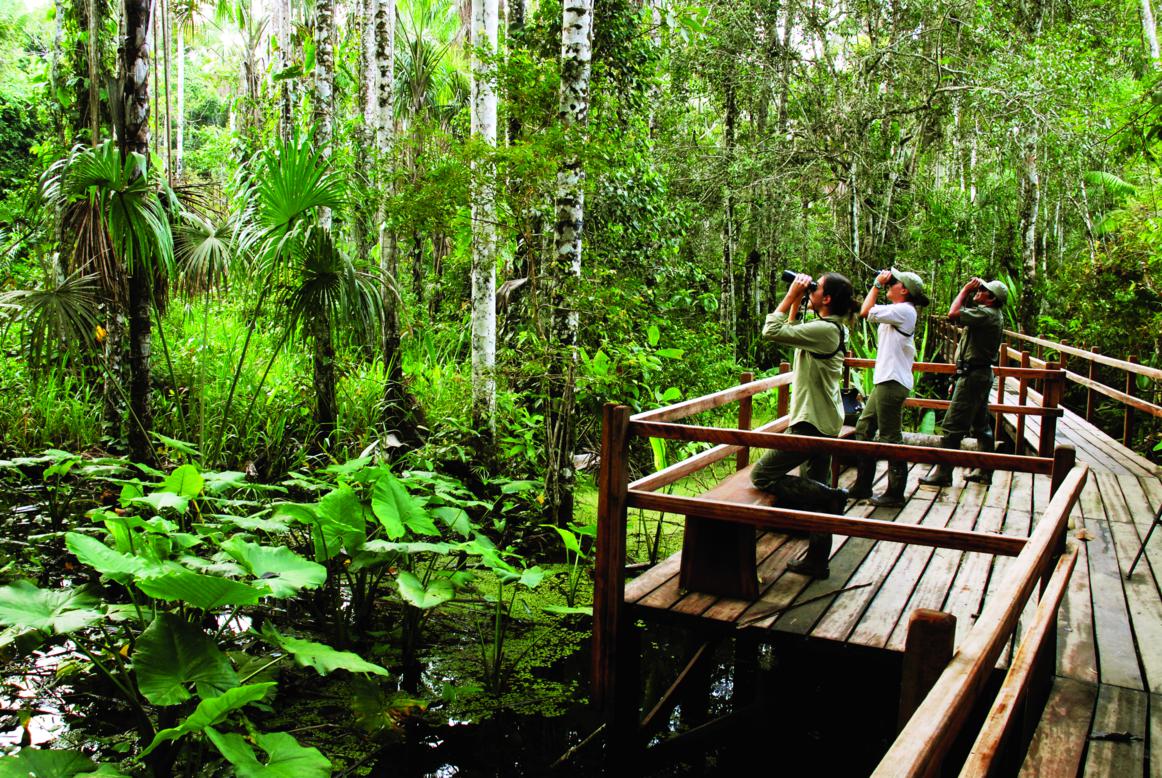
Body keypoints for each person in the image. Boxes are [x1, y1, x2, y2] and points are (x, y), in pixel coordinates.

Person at [751, 271, 855, 579]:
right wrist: (798, 298)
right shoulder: (833, 327)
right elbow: (792, 330)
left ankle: (832, 496)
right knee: (814, 487)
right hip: (825, 418)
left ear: (827, 299)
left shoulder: (824, 330)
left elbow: (772, 330)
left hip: (811, 422)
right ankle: (816, 560)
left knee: (763, 475)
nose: (811, 288)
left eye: (816, 287)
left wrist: (789, 297)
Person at [848, 268, 929, 507]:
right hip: (885, 381)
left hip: (892, 382)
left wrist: (876, 285)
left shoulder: (904, 310)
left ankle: (895, 492)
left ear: (903, 290)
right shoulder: (898, 311)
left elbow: (865, 311)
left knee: (890, 437)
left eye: (894, 282)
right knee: (863, 428)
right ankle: (862, 485)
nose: (889, 284)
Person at [919, 277, 1007, 487]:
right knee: (981, 425)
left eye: (983, 290)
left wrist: (965, 290)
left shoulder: (986, 313)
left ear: (991, 298)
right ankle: (985, 470)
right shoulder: (989, 314)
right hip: (977, 374)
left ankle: (943, 473)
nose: (978, 291)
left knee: (952, 427)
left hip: (974, 377)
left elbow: (952, 314)